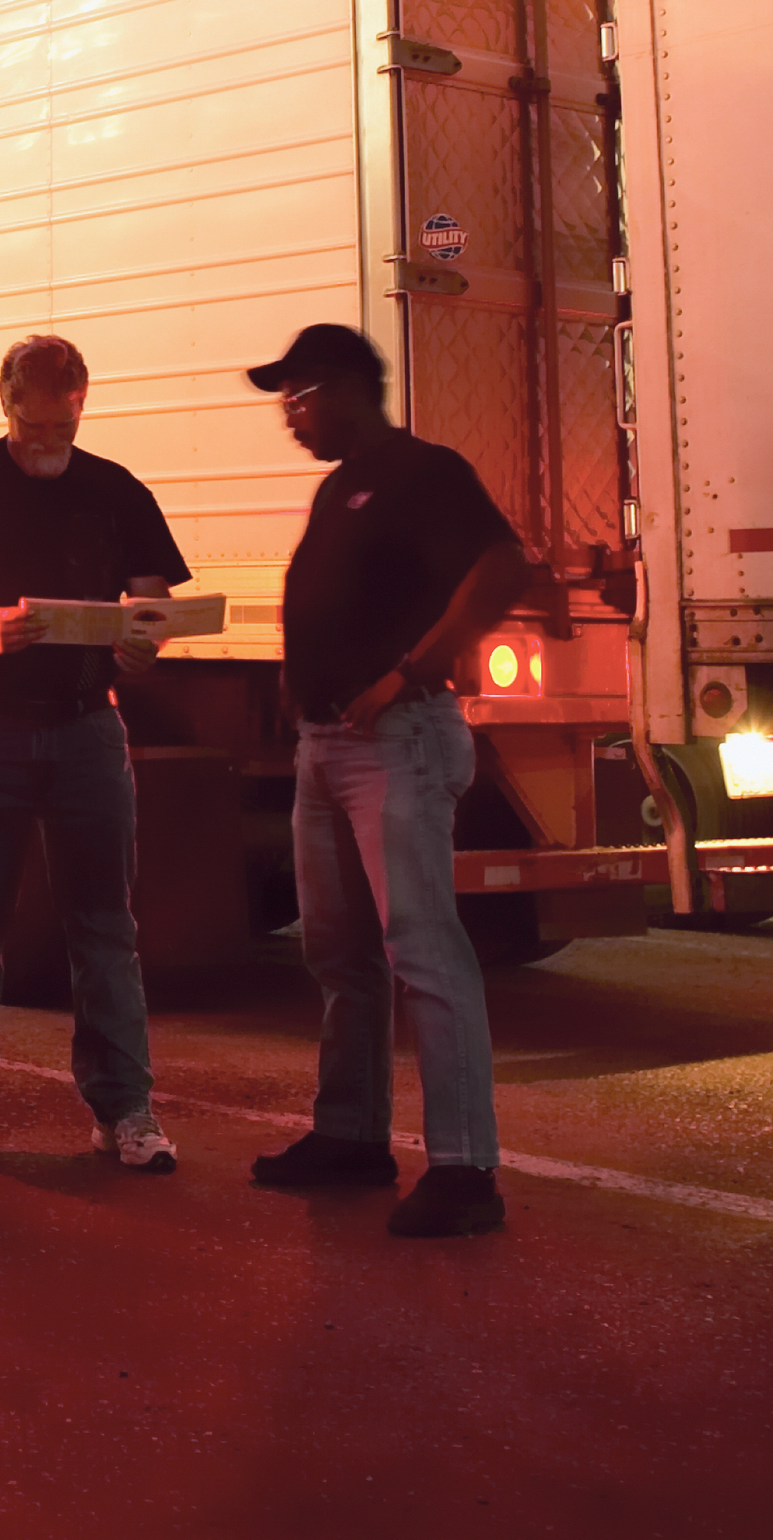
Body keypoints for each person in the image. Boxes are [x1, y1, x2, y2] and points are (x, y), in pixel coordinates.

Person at [239, 323, 538, 1238]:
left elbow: (503, 567)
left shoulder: (423, 473)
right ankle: (352, 1134)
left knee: (424, 951)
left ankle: (463, 1168)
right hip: (327, 747)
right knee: (340, 955)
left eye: (295, 398)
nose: (289, 419)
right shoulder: (341, 488)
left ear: (341, 388)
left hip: (396, 742)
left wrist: (412, 670)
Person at [0, 335, 187, 1175]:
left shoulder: (116, 490)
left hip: (86, 724)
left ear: (80, 406)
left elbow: (152, 602)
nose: (44, 450)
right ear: (5, 407)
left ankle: (124, 1111)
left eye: (59, 434)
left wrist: (145, 643)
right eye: (31, 434)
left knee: (104, 925)